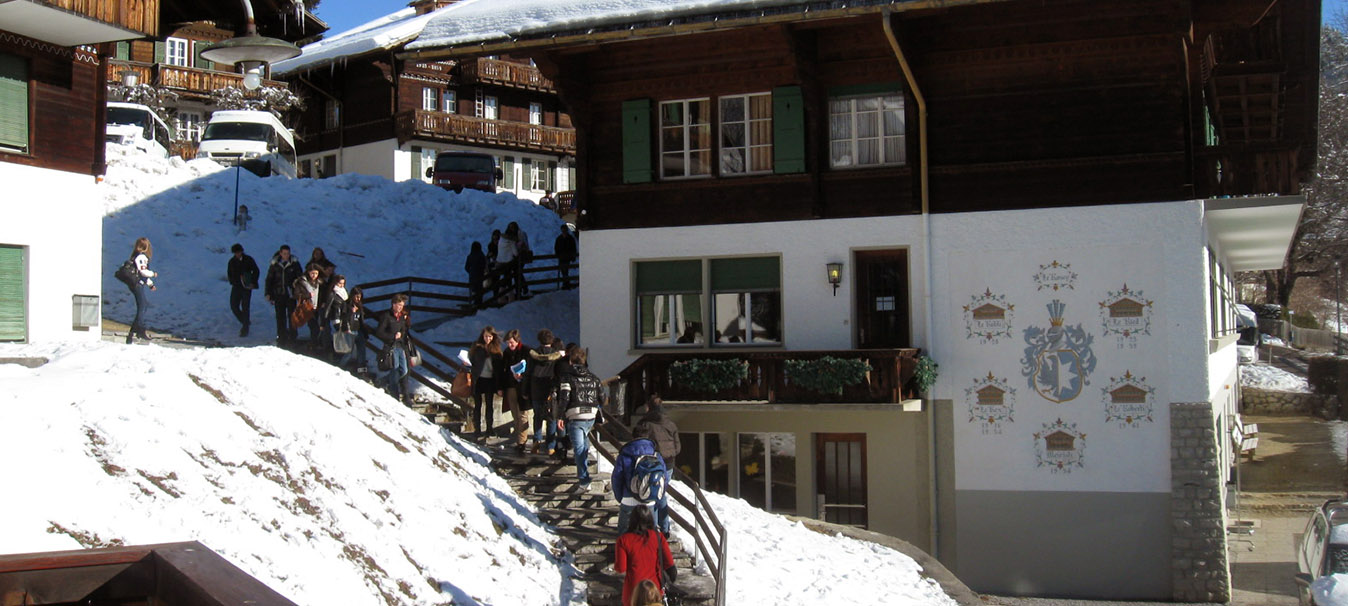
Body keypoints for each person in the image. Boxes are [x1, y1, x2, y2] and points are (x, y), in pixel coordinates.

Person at [554, 347, 604, 490]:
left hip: (576, 415)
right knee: (584, 443)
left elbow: (564, 399)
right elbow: (602, 397)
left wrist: (560, 416)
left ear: (570, 361)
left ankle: (584, 480)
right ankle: (584, 473)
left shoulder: (567, 378)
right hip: (591, 416)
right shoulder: (594, 378)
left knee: (579, 448)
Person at [611, 423, 666, 535]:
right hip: (649, 499)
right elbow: (664, 478)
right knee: (650, 537)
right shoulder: (656, 455)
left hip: (628, 500)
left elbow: (616, 478)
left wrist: (620, 497)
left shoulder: (625, 454)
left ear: (633, 436)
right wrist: (657, 495)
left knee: (624, 536)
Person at [614, 505, 673, 606]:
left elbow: (621, 568)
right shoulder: (658, 537)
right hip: (654, 592)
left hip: (632, 593)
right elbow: (671, 568)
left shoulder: (623, 540)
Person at [638, 395, 680, 535]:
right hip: (669, 463)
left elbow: (640, 441)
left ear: (648, 407)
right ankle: (663, 527)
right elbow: (678, 446)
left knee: (656, 495)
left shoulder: (646, 424)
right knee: (660, 494)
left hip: (654, 463)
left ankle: (656, 527)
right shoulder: (670, 423)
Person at [527, 329, 566, 454]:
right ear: (551, 340)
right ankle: (550, 445)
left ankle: (536, 441)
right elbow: (560, 374)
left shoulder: (533, 354)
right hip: (551, 391)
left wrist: (525, 390)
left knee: (537, 416)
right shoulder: (557, 356)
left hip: (536, 389)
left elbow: (527, 374)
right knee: (552, 418)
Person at [374, 294, 413, 403]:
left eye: (402, 306)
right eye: (399, 305)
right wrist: (392, 337)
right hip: (391, 347)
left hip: (400, 346)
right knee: (394, 369)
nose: (401, 307)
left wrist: (403, 331)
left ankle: (385, 381)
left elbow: (404, 330)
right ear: (393, 304)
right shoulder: (387, 316)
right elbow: (379, 332)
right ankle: (394, 394)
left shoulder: (401, 317)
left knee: (404, 370)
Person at [468, 325, 504, 441]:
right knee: (477, 405)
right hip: (479, 378)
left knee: (489, 404)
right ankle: (477, 429)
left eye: (489, 337)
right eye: (485, 336)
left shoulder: (496, 349)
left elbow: (499, 368)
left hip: (490, 379)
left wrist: (499, 385)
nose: (487, 339)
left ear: (493, 337)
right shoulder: (477, 347)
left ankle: (489, 428)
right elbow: (471, 360)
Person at [264, 245, 303, 344]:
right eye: (284, 253)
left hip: (291, 294)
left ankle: (293, 335)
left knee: (292, 316)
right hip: (278, 293)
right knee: (280, 316)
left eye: (288, 253)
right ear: (280, 253)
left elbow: (300, 277)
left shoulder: (294, 263)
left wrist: (298, 290)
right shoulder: (275, 264)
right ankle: (281, 335)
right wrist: (268, 293)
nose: (286, 255)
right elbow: (269, 279)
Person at [500, 329, 531, 452]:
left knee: (523, 414)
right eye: (508, 343)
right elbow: (503, 370)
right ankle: (520, 438)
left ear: (517, 341)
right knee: (515, 414)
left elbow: (530, 368)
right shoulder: (507, 353)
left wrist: (522, 376)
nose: (510, 345)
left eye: (511, 342)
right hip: (511, 386)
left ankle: (521, 441)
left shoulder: (526, 351)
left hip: (522, 386)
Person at [124, 237, 157, 344]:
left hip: (138, 283)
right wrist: (153, 274)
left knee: (143, 305)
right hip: (138, 284)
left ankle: (132, 333)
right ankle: (140, 330)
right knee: (142, 306)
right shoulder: (142, 257)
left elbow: (140, 274)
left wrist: (150, 284)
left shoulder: (136, 256)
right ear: (146, 247)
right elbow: (143, 272)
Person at [227, 243, 259, 337]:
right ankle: (245, 321)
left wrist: (252, 282)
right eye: (236, 253)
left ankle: (245, 328)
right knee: (234, 306)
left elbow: (256, 271)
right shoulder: (232, 261)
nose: (237, 254)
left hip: (246, 286)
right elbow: (229, 274)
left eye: (239, 252)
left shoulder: (248, 260)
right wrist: (233, 281)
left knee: (245, 307)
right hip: (236, 286)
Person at [335, 286, 367, 373]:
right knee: (348, 352)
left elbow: (361, 319)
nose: (358, 298)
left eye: (360, 296)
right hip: (349, 330)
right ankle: (340, 368)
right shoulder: (346, 304)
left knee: (361, 351)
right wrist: (351, 312)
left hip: (358, 330)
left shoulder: (360, 306)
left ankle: (362, 371)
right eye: (356, 296)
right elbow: (343, 317)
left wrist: (365, 332)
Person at [293, 264, 325, 349]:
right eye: (312, 273)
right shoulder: (302, 282)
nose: (314, 275)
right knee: (314, 327)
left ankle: (314, 343)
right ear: (308, 273)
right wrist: (308, 295)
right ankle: (313, 344)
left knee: (316, 327)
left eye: (316, 273)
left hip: (316, 307)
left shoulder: (319, 282)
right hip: (307, 307)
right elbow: (296, 294)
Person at [322, 274, 350, 360]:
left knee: (342, 334)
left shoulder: (344, 292)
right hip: (336, 316)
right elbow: (327, 307)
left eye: (343, 283)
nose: (341, 285)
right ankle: (335, 353)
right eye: (340, 283)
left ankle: (337, 353)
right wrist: (324, 320)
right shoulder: (333, 293)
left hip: (343, 316)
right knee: (339, 334)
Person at [553, 224, 577, 289]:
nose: (564, 231)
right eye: (563, 230)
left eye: (565, 230)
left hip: (567, 257)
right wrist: (557, 254)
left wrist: (573, 256)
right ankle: (566, 283)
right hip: (561, 257)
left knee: (565, 270)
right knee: (563, 271)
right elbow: (556, 247)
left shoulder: (570, 238)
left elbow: (573, 248)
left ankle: (565, 283)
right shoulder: (559, 238)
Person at [465, 242, 486, 309]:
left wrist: (471, 272)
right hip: (480, 276)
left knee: (474, 290)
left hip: (472, 276)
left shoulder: (470, 256)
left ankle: (474, 304)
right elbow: (484, 265)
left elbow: (466, 267)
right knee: (479, 290)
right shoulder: (481, 255)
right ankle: (479, 305)